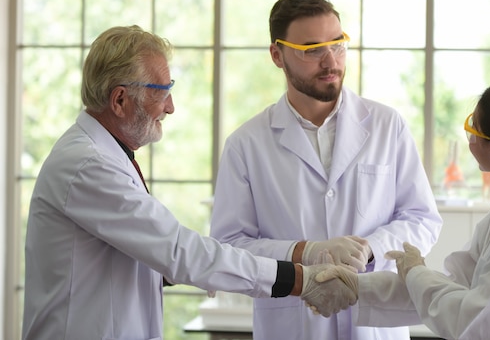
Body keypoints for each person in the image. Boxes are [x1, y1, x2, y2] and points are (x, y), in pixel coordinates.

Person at [21, 25, 355, 340]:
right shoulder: (87, 164)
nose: (171, 107)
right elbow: (179, 252)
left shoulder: (110, 157)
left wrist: (200, 266)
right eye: (161, 92)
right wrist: (300, 278)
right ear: (120, 100)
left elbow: (159, 254)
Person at [209, 0, 442, 340]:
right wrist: (305, 252)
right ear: (277, 55)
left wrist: (371, 248)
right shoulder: (246, 144)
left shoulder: (386, 125)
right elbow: (228, 245)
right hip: (291, 326)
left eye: (337, 44)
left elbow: (422, 219)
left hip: (373, 326)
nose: (330, 61)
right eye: (312, 49)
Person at [313, 79, 490, 340]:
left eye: (473, 126)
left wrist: (414, 272)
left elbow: (471, 320)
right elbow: (451, 288)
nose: (468, 137)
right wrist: (356, 287)